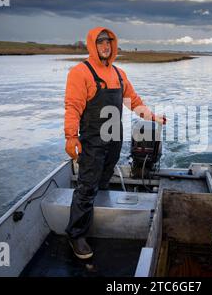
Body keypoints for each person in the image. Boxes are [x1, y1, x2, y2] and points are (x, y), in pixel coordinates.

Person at [64, 27, 165, 259]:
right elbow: (73, 107)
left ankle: (99, 210)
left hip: (114, 140)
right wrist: (71, 137)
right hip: (92, 141)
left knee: (104, 179)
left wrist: (152, 117)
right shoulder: (80, 72)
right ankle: (76, 235)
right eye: (100, 42)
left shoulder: (119, 74)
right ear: (92, 44)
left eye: (108, 42)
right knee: (86, 186)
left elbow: (134, 101)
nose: (105, 46)